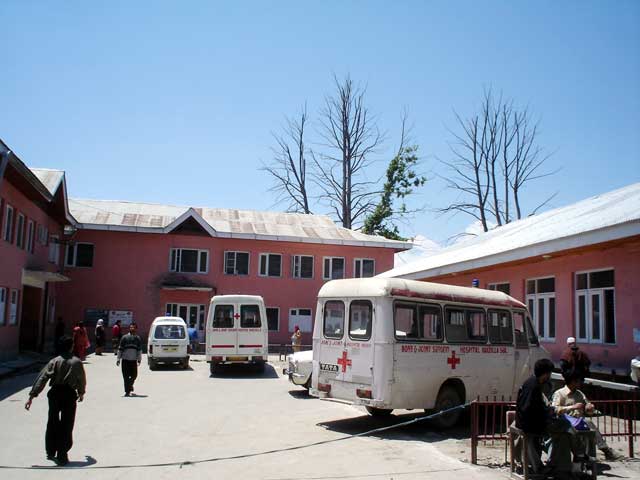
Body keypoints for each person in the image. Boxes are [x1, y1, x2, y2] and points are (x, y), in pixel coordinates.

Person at [24, 335, 86, 466]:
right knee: (67, 423)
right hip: (69, 394)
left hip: (55, 393)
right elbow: (81, 379)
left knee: (52, 420)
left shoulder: (54, 361)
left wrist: (32, 396)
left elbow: (42, 378)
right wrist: (81, 392)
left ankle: (51, 450)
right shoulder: (76, 362)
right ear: (71, 346)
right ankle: (63, 453)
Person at [515, 358, 574, 475]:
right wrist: (547, 414)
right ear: (545, 373)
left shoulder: (532, 383)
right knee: (566, 427)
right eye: (549, 373)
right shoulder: (534, 386)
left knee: (561, 428)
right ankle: (560, 462)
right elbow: (529, 409)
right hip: (529, 424)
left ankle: (549, 463)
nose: (549, 376)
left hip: (529, 422)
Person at [552, 373, 622, 461]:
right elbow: (555, 409)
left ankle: (604, 450)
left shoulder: (580, 394)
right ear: (573, 382)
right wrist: (572, 407)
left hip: (580, 422)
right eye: (579, 381)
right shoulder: (559, 393)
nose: (581, 383)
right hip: (567, 422)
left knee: (589, 423)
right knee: (585, 424)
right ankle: (598, 452)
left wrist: (590, 409)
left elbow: (588, 410)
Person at [116, 323, 142, 396]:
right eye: (131, 327)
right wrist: (118, 359)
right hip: (125, 360)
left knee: (134, 375)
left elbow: (139, 350)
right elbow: (120, 349)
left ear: (136, 329)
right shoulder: (124, 338)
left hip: (133, 360)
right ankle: (127, 391)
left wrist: (139, 359)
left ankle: (129, 386)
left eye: (133, 327)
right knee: (125, 376)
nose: (132, 329)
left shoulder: (137, 338)